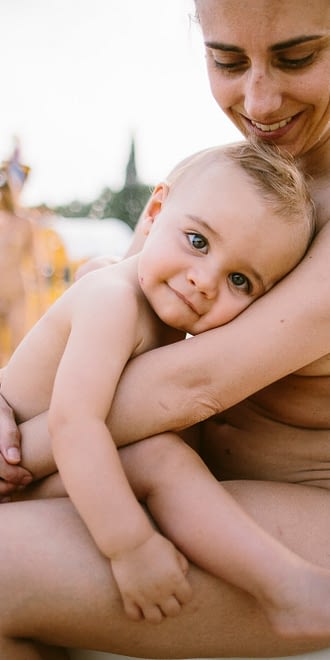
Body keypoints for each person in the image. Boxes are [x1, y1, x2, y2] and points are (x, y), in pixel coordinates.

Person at [0, 0, 329, 657]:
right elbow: (110, 323)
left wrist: (15, 457)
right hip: (174, 475)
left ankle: (300, 594)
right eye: (227, 61)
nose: (259, 102)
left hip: (304, 504)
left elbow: (191, 385)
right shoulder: (212, 177)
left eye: (298, 57)